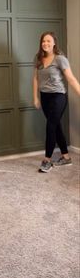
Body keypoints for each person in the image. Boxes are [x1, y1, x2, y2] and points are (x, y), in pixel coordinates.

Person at [33, 31, 80, 173]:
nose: (45, 43)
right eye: (43, 41)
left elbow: (71, 79)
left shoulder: (60, 59)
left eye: (48, 41)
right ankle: (66, 158)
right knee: (56, 127)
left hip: (58, 97)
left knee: (50, 126)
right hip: (45, 97)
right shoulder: (38, 58)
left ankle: (47, 160)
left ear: (54, 43)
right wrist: (35, 97)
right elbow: (35, 78)